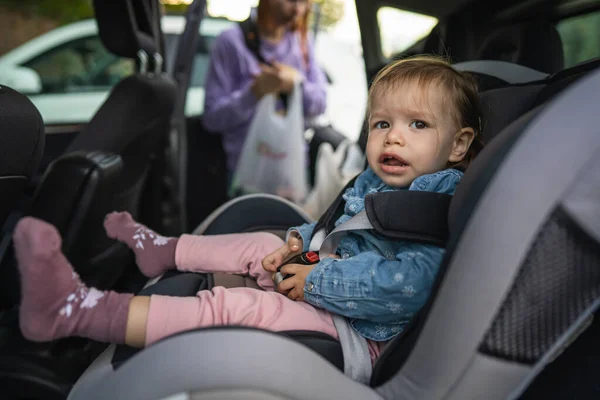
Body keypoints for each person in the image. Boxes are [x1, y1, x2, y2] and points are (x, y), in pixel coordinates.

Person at [14, 56, 484, 381]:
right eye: (382, 124)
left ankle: (80, 310)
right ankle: (166, 250)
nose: (393, 139)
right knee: (260, 241)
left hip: (363, 335)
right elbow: (334, 227)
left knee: (239, 306)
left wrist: (319, 279)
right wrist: (297, 245)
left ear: (458, 145)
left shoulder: (435, 204)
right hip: (332, 281)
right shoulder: (375, 184)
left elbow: (409, 286)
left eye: (417, 125)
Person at [202, 0, 328, 176]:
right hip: (246, 172)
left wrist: (296, 85)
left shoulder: (303, 42)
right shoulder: (230, 42)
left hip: (291, 169)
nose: (298, 9)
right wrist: (253, 93)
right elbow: (212, 118)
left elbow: (320, 104)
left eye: (305, 2)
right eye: (291, 0)